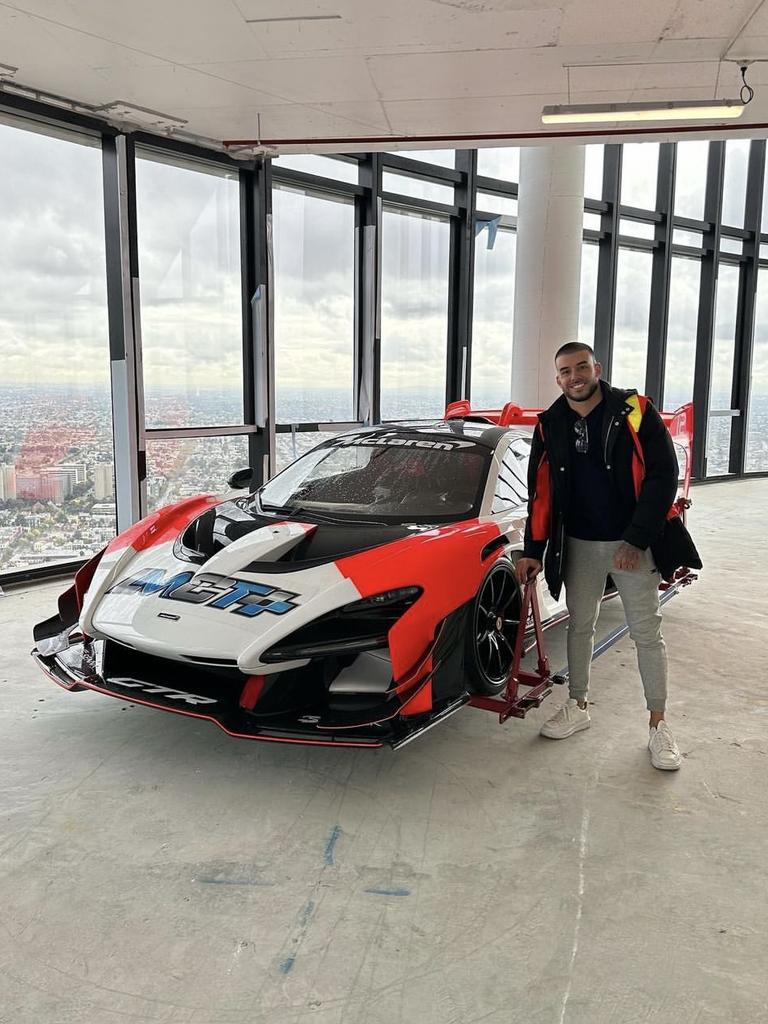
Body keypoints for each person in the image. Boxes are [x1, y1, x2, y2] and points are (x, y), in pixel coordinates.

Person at [516, 342, 689, 771]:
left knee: (646, 632)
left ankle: (658, 725)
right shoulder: (550, 423)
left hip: (632, 543)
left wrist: (635, 538)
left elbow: (663, 476)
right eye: (564, 371)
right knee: (580, 626)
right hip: (578, 543)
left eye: (581, 367)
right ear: (557, 378)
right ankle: (578, 705)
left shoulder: (634, 409)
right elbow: (541, 494)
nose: (574, 377)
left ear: (597, 367)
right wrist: (533, 549)